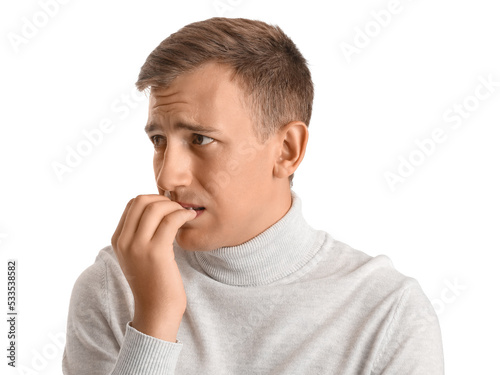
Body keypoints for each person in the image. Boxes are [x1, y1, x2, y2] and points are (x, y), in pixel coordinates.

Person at [62, 17, 444, 374]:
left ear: (287, 150)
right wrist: (155, 322)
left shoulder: (387, 312)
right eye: (159, 140)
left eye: (200, 139)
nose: (167, 175)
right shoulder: (112, 287)